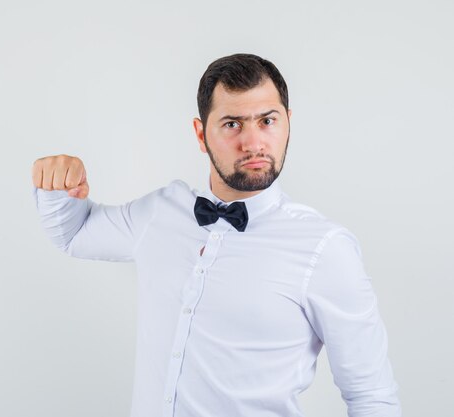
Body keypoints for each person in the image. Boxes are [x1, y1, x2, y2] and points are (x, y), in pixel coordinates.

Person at [31, 53, 402, 417]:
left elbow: (372, 397)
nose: (253, 142)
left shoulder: (325, 249)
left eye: (267, 121)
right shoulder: (159, 213)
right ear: (200, 133)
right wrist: (59, 183)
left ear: (288, 122)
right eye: (232, 124)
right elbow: (74, 234)